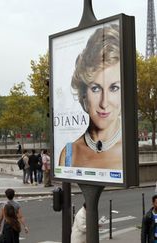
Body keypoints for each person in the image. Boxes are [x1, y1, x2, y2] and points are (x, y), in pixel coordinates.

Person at [59, 24, 122, 169]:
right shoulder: (69, 154)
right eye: (95, 88)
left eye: (114, 88)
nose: (104, 103)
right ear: (83, 94)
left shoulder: (127, 151)